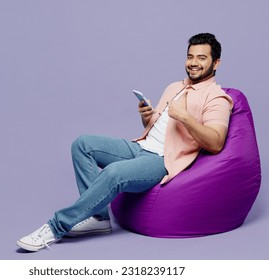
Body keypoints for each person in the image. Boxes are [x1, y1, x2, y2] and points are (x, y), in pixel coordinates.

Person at [17, 33, 234, 252]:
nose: (194, 63)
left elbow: (216, 143)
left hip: (162, 160)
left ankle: (56, 227)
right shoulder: (174, 86)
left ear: (216, 63)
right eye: (190, 57)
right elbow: (157, 128)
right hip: (140, 146)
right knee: (82, 144)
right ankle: (99, 219)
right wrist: (147, 116)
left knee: (113, 173)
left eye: (201, 58)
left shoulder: (217, 97)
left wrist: (186, 117)